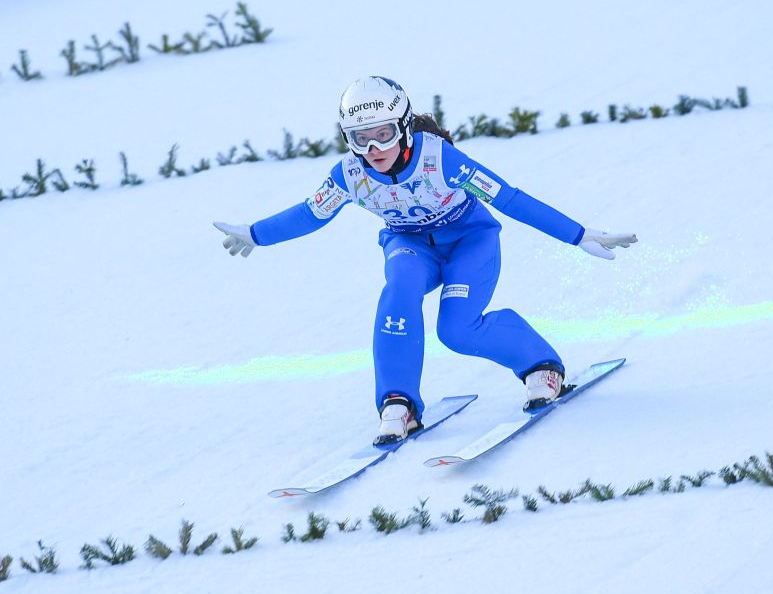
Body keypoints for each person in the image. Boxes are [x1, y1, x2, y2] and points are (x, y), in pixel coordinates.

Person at [214, 76, 637, 445]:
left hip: (469, 241)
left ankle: (540, 367)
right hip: (409, 246)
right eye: (361, 138)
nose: (374, 148)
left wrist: (578, 234)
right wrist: (256, 234)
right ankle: (398, 404)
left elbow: (508, 198)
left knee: (456, 329)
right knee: (397, 295)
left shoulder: (440, 159)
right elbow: (310, 213)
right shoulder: (350, 174)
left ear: (404, 127)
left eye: (382, 134)